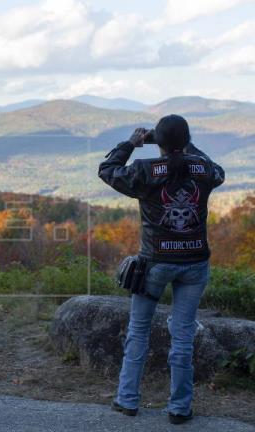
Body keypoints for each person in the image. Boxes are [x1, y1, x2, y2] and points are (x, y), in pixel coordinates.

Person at [97, 114, 225, 425]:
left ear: (160, 142)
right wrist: (185, 146)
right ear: (185, 140)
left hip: (155, 262)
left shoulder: (145, 171)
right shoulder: (203, 169)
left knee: (138, 331)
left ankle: (127, 400)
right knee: (183, 336)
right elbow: (218, 172)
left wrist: (130, 143)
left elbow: (107, 170)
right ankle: (179, 408)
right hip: (195, 263)